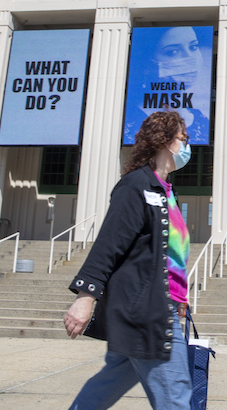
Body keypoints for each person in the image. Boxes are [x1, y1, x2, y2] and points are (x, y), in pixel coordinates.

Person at [63, 110, 193, 409]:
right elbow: (109, 244)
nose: (187, 147)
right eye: (183, 139)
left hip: (158, 305)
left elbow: (168, 257)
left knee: (108, 384)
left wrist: (180, 298)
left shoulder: (165, 191)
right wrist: (85, 297)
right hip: (146, 311)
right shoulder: (136, 185)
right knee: (176, 394)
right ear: (164, 141)